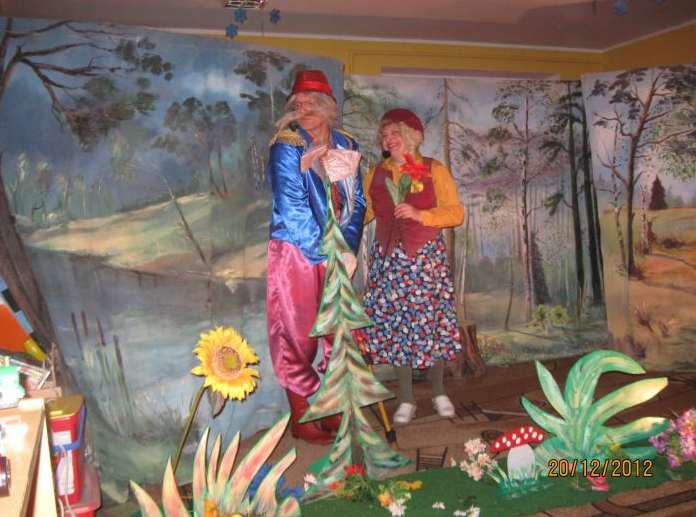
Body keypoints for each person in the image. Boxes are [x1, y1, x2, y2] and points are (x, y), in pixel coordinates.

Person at [266, 70, 366, 444]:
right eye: (298, 104)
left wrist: (346, 248)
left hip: (336, 250)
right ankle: (301, 415)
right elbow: (291, 205)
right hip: (296, 250)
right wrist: (326, 254)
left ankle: (330, 407)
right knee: (297, 333)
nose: (303, 110)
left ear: (328, 107)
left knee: (335, 332)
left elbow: (357, 201)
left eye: (311, 103)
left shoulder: (346, 143)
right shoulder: (287, 144)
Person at [362, 108, 464, 425]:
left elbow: (456, 213)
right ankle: (406, 398)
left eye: (395, 133)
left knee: (430, 323)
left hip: (425, 258)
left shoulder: (434, 170)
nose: (388, 139)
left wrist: (422, 215)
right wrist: (338, 212)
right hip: (389, 260)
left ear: (410, 136)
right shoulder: (375, 174)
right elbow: (363, 214)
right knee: (398, 327)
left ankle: (439, 392)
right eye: (384, 135)